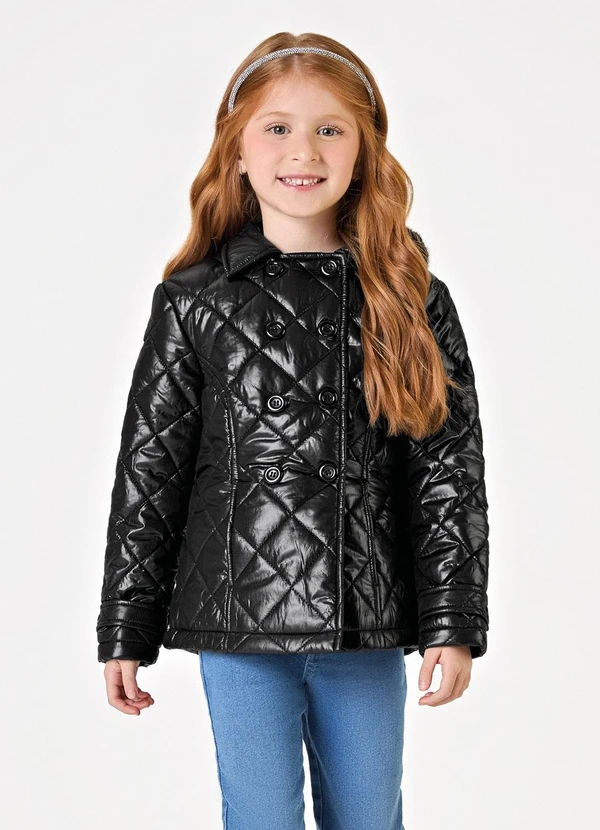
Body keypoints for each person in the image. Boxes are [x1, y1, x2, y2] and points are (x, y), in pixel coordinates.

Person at [96, 32, 490, 830]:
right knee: (261, 817)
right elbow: (151, 470)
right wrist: (125, 626)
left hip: (364, 615)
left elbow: (446, 474)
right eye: (277, 128)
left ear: (363, 152)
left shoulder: (411, 296)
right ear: (237, 151)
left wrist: (452, 621)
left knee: (370, 816)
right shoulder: (194, 300)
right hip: (238, 613)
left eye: (329, 129)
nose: (303, 151)